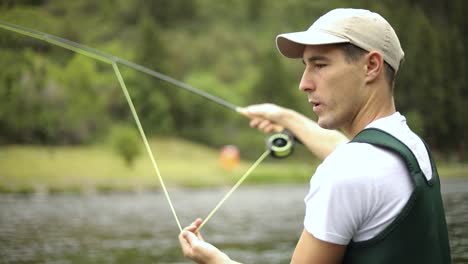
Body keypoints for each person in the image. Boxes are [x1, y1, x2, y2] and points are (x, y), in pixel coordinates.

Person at [178, 8, 451, 264]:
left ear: (371, 66)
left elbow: (347, 166)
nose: (304, 83)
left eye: (320, 65)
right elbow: (345, 153)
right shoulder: (409, 145)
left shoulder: (346, 170)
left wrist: (215, 259)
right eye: (305, 67)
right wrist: (286, 118)